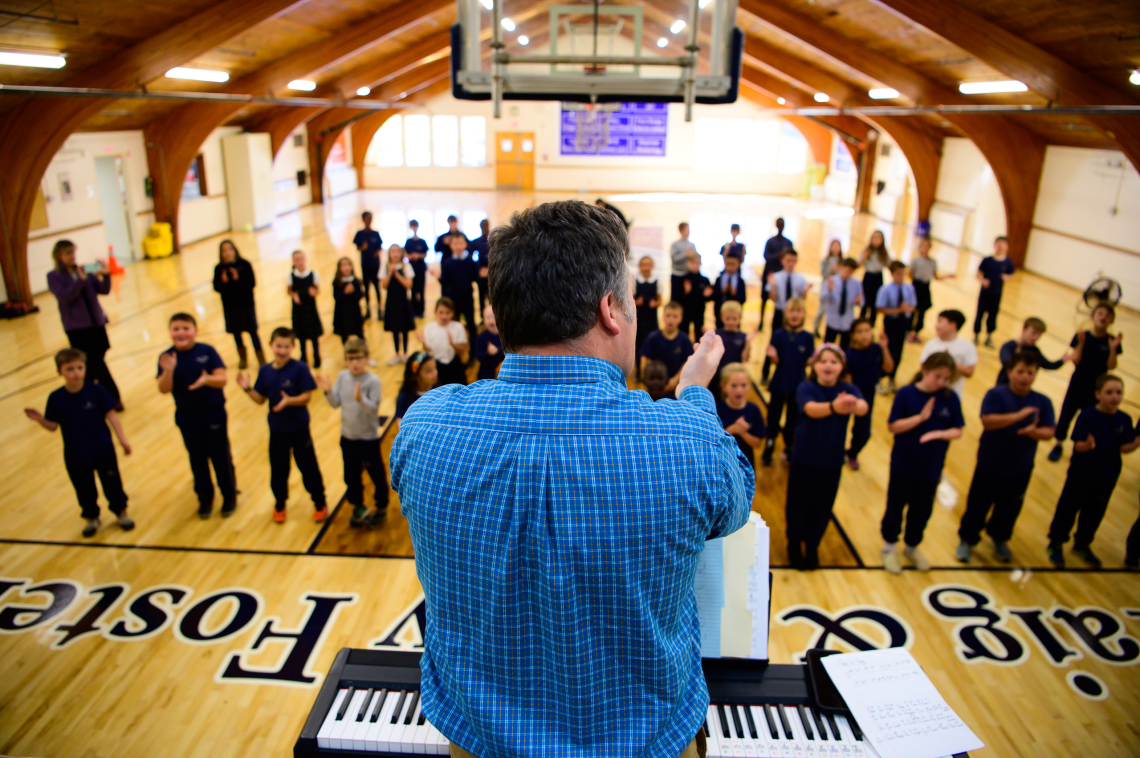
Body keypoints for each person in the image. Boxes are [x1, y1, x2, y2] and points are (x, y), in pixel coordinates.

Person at [390, 199, 754, 758]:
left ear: (501, 313)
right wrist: (695, 398)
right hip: (643, 744)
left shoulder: (424, 426)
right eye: (631, 302)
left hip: (478, 740)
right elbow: (734, 500)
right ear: (611, 310)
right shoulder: (685, 441)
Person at [956, 351, 1055, 563]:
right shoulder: (996, 395)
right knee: (978, 505)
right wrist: (1018, 417)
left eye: (1030, 372)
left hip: (1020, 467)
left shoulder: (1042, 402)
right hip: (989, 464)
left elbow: (1049, 431)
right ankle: (967, 540)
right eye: (1020, 371)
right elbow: (988, 421)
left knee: (1010, 508)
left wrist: (1032, 433)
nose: (1025, 377)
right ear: (1009, 372)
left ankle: (999, 538)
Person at [25, 348, 134, 538]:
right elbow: (52, 426)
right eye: (69, 369)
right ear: (59, 372)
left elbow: (112, 415)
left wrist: (122, 440)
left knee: (112, 483)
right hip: (76, 454)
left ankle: (121, 513)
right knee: (84, 488)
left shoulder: (96, 390)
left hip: (103, 450)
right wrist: (40, 419)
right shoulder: (56, 398)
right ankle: (91, 517)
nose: (76, 373)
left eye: (79, 367)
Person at [879, 352, 964, 574]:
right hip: (904, 464)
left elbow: (958, 430)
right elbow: (893, 426)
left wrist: (938, 434)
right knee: (895, 507)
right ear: (925, 370)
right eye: (938, 376)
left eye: (946, 378)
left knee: (922, 511)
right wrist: (920, 419)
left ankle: (912, 547)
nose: (942, 382)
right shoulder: (906, 394)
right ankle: (889, 548)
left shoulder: (950, 398)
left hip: (932, 468)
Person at [786, 345, 868, 569]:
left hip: (832, 460)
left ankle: (812, 545)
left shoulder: (848, 388)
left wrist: (852, 403)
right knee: (798, 502)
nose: (828, 365)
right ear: (814, 365)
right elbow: (811, 409)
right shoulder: (806, 386)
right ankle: (794, 542)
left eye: (834, 361)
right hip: (804, 457)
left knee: (822, 505)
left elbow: (862, 408)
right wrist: (835, 406)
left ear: (842, 366)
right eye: (823, 361)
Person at [235, 327, 327, 523]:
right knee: (278, 471)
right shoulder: (265, 371)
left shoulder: (300, 368)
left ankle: (319, 502)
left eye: (286, 347)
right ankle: (280, 504)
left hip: (299, 429)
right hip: (277, 431)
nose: (282, 350)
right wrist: (247, 389)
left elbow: (307, 397)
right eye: (278, 346)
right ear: (271, 346)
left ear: (293, 347)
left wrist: (289, 401)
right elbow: (260, 399)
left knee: (308, 468)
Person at [1046, 374, 1139, 567]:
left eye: (1119, 392)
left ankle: (1082, 543)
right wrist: (1087, 445)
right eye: (1109, 392)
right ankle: (1056, 543)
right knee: (1068, 509)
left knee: (1095, 513)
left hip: (1107, 476)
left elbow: (1124, 447)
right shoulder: (1087, 415)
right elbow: (1078, 445)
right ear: (1098, 394)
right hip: (1081, 474)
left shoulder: (1124, 419)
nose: (1115, 397)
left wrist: (1137, 441)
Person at [156, 312, 235, 519]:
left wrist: (207, 379)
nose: (181, 332)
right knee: (197, 459)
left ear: (195, 331)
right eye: (176, 329)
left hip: (214, 415)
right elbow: (164, 389)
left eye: (185, 328)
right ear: (170, 333)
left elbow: (222, 379)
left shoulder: (207, 351)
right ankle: (205, 496)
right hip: (187, 418)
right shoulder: (166, 358)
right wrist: (169, 371)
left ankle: (229, 494)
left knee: (220, 456)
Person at [316, 336, 387, 528]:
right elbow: (335, 404)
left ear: (367, 358)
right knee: (351, 475)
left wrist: (360, 399)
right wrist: (328, 391)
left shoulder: (373, 381)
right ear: (345, 360)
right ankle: (358, 506)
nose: (354, 363)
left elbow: (374, 409)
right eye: (350, 359)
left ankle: (381, 506)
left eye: (358, 358)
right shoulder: (342, 377)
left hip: (368, 438)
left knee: (376, 474)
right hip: (348, 437)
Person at [46, 239, 122, 410]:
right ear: (58, 256)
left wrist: (106, 274)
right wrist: (79, 281)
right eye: (67, 253)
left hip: (97, 324)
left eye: (73, 252)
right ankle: (114, 398)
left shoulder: (84, 270)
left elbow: (104, 290)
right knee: (97, 365)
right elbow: (65, 297)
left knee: (91, 366)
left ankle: (89, 399)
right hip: (77, 329)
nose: (72, 256)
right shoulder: (54, 276)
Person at [1048, 303, 1123, 462]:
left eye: (1107, 315)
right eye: (1100, 313)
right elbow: (1076, 361)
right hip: (1077, 384)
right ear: (1092, 317)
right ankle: (1059, 443)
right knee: (1066, 414)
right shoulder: (1081, 335)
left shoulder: (1111, 341)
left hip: (1097, 388)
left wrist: (1113, 349)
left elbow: (1111, 366)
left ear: (1111, 321)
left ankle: (1081, 446)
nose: (1103, 317)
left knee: (1089, 418)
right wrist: (1081, 343)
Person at [762, 298, 813, 466]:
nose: (795, 314)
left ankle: (789, 447)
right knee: (774, 416)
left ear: (804, 314)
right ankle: (770, 444)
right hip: (779, 382)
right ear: (786, 313)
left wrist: (815, 360)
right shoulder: (778, 334)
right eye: (792, 311)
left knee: (793, 418)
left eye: (798, 311)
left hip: (798, 385)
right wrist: (773, 356)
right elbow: (776, 361)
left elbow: (808, 361)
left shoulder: (807, 337)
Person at [844, 318, 893, 470]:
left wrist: (885, 348)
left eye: (867, 330)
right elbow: (848, 380)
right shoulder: (849, 355)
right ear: (852, 335)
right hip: (852, 393)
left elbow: (889, 368)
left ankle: (852, 453)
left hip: (869, 393)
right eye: (860, 332)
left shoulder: (877, 349)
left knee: (864, 432)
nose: (865, 335)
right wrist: (852, 399)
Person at [212, 239, 263, 368]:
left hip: (246, 305)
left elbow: (252, 284)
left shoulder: (244, 264)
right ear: (221, 253)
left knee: (253, 332)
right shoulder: (219, 268)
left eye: (230, 249)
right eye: (224, 250)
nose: (227, 252)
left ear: (235, 250)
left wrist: (238, 279)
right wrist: (223, 282)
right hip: (230, 307)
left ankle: (261, 360)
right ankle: (243, 359)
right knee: (236, 334)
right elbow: (216, 288)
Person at [762, 249, 809, 384]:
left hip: (794, 315)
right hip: (780, 313)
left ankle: (790, 373)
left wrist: (805, 292)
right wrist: (773, 287)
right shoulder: (775, 277)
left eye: (793, 261)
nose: (790, 263)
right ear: (783, 261)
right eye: (788, 260)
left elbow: (801, 301)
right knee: (773, 343)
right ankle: (765, 374)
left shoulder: (800, 279)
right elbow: (772, 298)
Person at [874, 261, 917, 394]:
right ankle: (879, 378)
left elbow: (913, 306)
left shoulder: (909, 288)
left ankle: (892, 378)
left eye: (903, 273)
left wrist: (906, 309)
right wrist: (898, 310)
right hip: (891, 323)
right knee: (887, 350)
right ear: (892, 274)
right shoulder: (885, 289)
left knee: (899, 351)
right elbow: (880, 308)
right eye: (899, 274)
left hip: (903, 323)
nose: (901, 276)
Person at [918, 309, 978, 399]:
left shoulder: (967, 346)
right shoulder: (931, 344)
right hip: (928, 393)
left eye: (940, 321)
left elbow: (969, 372)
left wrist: (949, 361)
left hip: (951, 396)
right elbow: (923, 367)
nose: (936, 326)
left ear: (952, 325)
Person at [717, 363, 767, 468]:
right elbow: (714, 442)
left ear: (750, 386)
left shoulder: (754, 410)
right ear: (723, 386)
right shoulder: (717, 409)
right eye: (734, 386)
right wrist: (732, 429)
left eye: (743, 385)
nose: (739, 390)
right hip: (722, 464)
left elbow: (757, 444)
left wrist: (743, 433)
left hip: (745, 466)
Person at [641, 301, 694, 397]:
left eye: (675, 316)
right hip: (655, 388)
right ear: (663, 317)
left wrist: (676, 379)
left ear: (681, 318)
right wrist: (647, 379)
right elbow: (645, 359)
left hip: (675, 387)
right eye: (668, 315)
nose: (671, 319)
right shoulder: (653, 337)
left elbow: (687, 362)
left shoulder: (684, 339)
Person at [438, 233, 482, 349]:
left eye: (460, 243)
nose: (458, 246)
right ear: (451, 245)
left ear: (465, 244)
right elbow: (445, 283)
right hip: (453, 300)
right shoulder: (447, 263)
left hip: (467, 298)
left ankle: (474, 350)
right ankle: (454, 348)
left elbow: (476, 278)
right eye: (455, 243)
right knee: (454, 324)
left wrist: (482, 276)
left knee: (471, 324)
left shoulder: (471, 262)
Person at [996, 317, 1067, 385]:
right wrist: (1016, 357)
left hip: (1023, 391)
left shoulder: (1034, 351)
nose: (1036, 337)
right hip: (1003, 387)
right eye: (1034, 333)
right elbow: (1006, 362)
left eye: (1039, 335)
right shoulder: (1009, 346)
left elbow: (1048, 365)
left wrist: (1062, 360)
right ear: (1024, 329)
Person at [973, 236, 1015, 347]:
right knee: (979, 315)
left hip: (996, 294)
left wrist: (1007, 277)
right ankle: (976, 336)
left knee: (993, 316)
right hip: (984, 294)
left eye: (1003, 244)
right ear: (994, 245)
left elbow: (1011, 275)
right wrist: (983, 281)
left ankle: (989, 337)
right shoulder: (987, 260)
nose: (1000, 246)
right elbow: (978, 274)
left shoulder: (1008, 262)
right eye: (998, 244)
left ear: (1007, 247)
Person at [417, 297, 469, 387]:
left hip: (455, 365)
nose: (444, 316)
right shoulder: (429, 328)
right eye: (441, 312)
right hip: (437, 366)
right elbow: (427, 351)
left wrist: (452, 343)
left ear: (452, 313)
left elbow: (462, 351)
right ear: (435, 312)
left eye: (447, 313)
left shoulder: (458, 327)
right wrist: (424, 342)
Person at [908, 237, 949, 343]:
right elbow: (910, 274)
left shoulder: (932, 262)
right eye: (923, 246)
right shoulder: (915, 260)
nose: (925, 248)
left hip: (925, 287)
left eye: (927, 246)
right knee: (912, 310)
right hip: (916, 286)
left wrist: (947, 276)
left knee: (922, 312)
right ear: (920, 247)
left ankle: (917, 332)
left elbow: (936, 276)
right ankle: (908, 332)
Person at [287, 249, 323, 368]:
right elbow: (289, 291)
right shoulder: (291, 276)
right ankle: (303, 356)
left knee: (314, 335)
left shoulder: (313, 274)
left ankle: (316, 356)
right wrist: (294, 295)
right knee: (301, 335)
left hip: (310, 308)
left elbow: (317, 290)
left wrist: (314, 292)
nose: (300, 262)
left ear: (305, 259)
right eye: (296, 260)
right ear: (293, 261)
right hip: (298, 310)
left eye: (301, 259)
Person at [380, 244, 415, 365]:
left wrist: (397, 274)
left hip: (403, 301)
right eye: (392, 251)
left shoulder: (406, 267)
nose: (395, 254)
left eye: (397, 251)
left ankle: (405, 353)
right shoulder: (385, 267)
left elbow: (408, 285)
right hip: (391, 302)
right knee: (394, 329)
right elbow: (384, 286)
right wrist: (390, 273)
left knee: (405, 329)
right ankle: (396, 353)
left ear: (401, 253)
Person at [820, 257, 862, 349]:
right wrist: (829, 290)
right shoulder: (831, 280)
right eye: (848, 270)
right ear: (842, 267)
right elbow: (822, 299)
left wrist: (859, 301)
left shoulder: (856, 284)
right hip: (832, 320)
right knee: (828, 347)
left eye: (852, 272)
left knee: (845, 348)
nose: (849, 274)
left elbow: (862, 302)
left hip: (847, 322)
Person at [759, 218, 792, 331]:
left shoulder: (788, 242)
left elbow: (790, 258)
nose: (780, 227)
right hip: (770, 272)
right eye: (779, 225)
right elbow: (766, 256)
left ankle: (782, 321)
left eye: (782, 225)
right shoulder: (770, 241)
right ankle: (761, 322)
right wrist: (778, 255)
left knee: (781, 300)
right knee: (764, 298)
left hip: (782, 275)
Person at [714, 301, 750, 391]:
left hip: (734, 377)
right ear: (722, 318)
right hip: (717, 375)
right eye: (728, 318)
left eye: (734, 319)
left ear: (740, 318)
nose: (731, 322)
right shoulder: (716, 335)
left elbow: (745, 359)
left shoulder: (743, 337)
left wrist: (748, 344)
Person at [353, 211, 383, 319]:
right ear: (363, 219)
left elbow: (380, 246)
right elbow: (357, 247)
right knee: (366, 289)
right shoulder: (359, 234)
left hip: (375, 266)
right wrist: (363, 248)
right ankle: (368, 310)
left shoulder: (376, 234)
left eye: (370, 218)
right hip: (365, 266)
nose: (368, 220)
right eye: (366, 218)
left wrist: (376, 252)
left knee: (377, 288)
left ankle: (380, 310)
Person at [634, 255, 661, 374]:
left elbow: (660, 300)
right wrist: (636, 302)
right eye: (643, 264)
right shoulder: (635, 281)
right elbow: (631, 299)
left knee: (653, 343)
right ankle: (639, 372)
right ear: (640, 267)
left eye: (648, 264)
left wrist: (656, 303)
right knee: (639, 345)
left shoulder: (656, 281)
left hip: (651, 319)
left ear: (652, 266)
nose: (646, 267)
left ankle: (653, 372)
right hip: (639, 319)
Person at [858, 230, 891, 325]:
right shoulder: (867, 251)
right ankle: (861, 321)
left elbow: (889, 266)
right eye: (874, 237)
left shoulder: (884, 253)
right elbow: (859, 264)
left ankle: (872, 323)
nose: (876, 240)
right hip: (868, 277)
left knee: (875, 302)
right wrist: (864, 257)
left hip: (878, 277)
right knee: (865, 301)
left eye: (878, 237)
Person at [678, 252, 713, 340]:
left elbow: (709, 299)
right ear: (688, 263)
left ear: (700, 263)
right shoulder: (683, 279)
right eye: (693, 262)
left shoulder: (704, 280)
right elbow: (678, 298)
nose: (695, 265)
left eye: (697, 262)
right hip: (685, 312)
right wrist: (686, 292)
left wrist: (707, 295)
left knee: (699, 334)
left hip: (699, 312)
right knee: (684, 334)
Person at [813, 239, 843, 337]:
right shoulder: (825, 260)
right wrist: (832, 270)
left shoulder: (842, 262)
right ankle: (816, 328)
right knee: (821, 309)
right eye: (833, 246)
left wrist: (837, 271)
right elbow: (823, 273)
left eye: (837, 246)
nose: (835, 248)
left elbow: (843, 275)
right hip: (826, 287)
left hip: (837, 289)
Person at [331, 257, 365, 345]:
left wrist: (353, 291)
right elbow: (336, 296)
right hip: (342, 313)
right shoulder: (337, 282)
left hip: (354, 312)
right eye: (343, 265)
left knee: (360, 334)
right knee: (344, 335)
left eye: (348, 265)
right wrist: (344, 292)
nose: (346, 268)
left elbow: (360, 295)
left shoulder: (356, 281)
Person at [394, 351, 437, 420]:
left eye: (435, 368)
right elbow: (400, 422)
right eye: (429, 371)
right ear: (416, 376)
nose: (435, 373)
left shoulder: (439, 392)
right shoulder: (404, 398)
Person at [712, 255, 746, 330]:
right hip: (720, 315)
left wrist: (735, 293)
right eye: (728, 264)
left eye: (733, 264)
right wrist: (722, 291)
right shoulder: (719, 279)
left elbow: (743, 299)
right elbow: (714, 296)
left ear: (738, 265)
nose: (730, 267)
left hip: (735, 315)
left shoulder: (740, 281)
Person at [405, 219, 429, 318]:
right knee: (413, 290)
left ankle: (421, 310)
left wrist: (418, 256)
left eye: (415, 225)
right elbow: (405, 253)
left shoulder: (422, 241)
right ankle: (414, 310)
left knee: (421, 290)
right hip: (412, 270)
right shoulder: (408, 242)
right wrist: (410, 257)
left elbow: (425, 254)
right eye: (412, 226)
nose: (414, 227)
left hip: (420, 269)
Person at [474, 304, 504, 380]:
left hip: (503, 372)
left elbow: (509, 353)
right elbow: (478, 356)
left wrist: (497, 351)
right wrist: (488, 353)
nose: (491, 320)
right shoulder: (481, 337)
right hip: (486, 374)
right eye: (488, 318)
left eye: (494, 317)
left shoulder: (504, 336)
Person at [669, 222, 696, 303]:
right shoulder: (675, 244)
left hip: (687, 275)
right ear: (681, 231)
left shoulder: (691, 245)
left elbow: (694, 259)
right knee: (676, 299)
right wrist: (685, 254)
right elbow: (674, 259)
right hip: (676, 275)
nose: (689, 231)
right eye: (687, 229)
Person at [469, 218, 491, 315]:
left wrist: (490, 269)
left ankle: (493, 317)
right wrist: (479, 269)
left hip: (492, 273)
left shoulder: (493, 240)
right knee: (481, 296)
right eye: (483, 226)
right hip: (481, 274)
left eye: (486, 225)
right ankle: (483, 317)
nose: (484, 228)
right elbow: (470, 257)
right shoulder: (476, 242)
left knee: (492, 297)